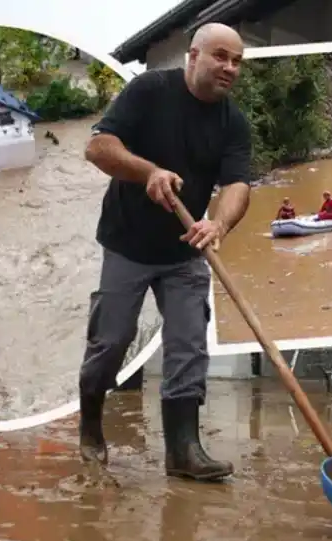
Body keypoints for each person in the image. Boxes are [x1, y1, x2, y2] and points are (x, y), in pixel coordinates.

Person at [77, 22, 252, 483]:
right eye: (220, 56)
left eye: (236, 61)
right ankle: (91, 423)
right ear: (192, 56)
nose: (230, 68)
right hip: (127, 242)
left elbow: (237, 184)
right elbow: (98, 148)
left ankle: (183, 450)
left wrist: (220, 223)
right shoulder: (148, 91)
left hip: (186, 248)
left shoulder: (233, 121)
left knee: (190, 344)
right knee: (112, 341)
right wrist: (149, 171)